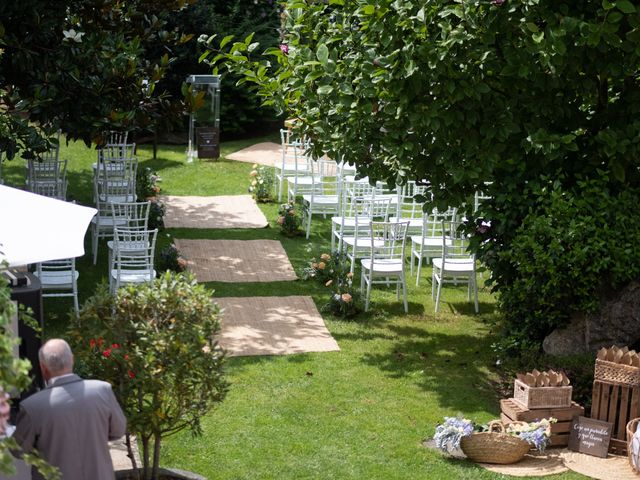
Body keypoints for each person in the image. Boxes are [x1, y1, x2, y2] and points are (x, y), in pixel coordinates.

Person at [13, 338, 126, 480]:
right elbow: (119, 430)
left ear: (43, 367)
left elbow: (18, 450)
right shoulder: (102, 390)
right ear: (72, 360)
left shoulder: (32, 406)